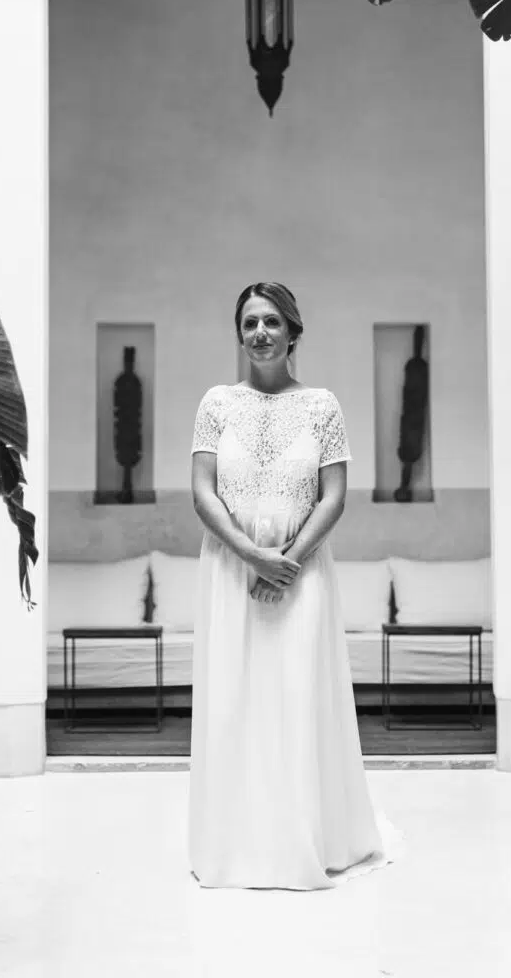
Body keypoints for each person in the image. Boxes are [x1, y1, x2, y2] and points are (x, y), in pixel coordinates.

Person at [188, 281, 401, 890]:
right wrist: (253, 555)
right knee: (234, 700)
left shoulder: (322, 407)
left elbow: (334, 497)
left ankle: (307, 837)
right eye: (250, 322)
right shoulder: (215, 404)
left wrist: (287, 562)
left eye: (272, 322)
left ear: (293, 332)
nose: (260, 333)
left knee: (295, 696)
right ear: (239, 333)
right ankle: (233, 844)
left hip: (302, 574)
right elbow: (203, 491)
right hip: (231, 568)